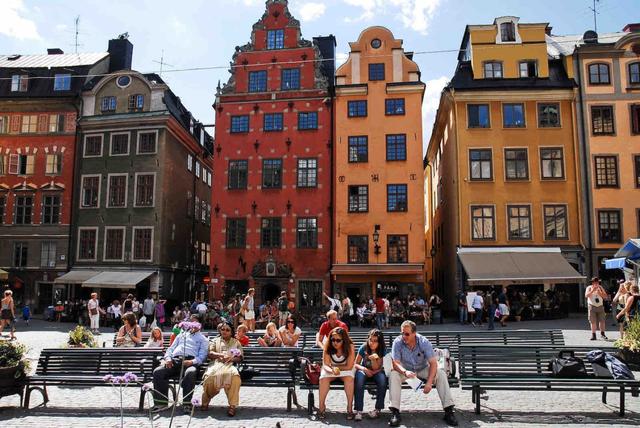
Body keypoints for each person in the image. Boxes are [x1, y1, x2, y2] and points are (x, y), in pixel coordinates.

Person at [389, 320, 458, 427]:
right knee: (393, 375)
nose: (404, 336)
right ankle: (395, 412)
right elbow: (395, 364)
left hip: (422, 368)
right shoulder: (397, 342)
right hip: (405, 370)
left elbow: (433, 363)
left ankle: (449, 411)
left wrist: (429, 382)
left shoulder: (424, 342)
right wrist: (405, 371)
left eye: (407, 334)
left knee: (441, 374)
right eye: (402, 333)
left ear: (414, 333)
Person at [152, 316, 209, 413]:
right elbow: (170, 349)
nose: (192, 325)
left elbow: (202, 356)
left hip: (190, 362)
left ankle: (187, 404)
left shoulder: (203, 339)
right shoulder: (181, 335)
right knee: (158, 372)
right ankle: (161, 403)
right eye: (191, 322)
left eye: (195, 322)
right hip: (175, 361)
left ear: (200, 325)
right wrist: (168, 358)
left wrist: (192, 362)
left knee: (191, 373)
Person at [201, 321, 243, 416]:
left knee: (235, 377)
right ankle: (206, 400)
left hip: (230, 365)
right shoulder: (215, 341)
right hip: (216, 364)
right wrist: (220, 355)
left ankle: (232, 406)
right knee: (209, 377)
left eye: (227, 330)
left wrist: (231, 358)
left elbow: (240, 357)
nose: (224, 331)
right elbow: (210, 353)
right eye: (222, 329)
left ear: (231, 332)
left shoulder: (236, 342)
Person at [317, 327, 355, 420]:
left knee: (349, 379)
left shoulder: (350, 346)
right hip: (331, 369)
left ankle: (349, 408)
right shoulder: (328, 345)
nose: (335, 342)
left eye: (338, 340)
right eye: (333, 339)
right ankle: (321, 407)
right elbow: (325, 364)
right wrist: (332, 370)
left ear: (344, 340)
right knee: (323, 379)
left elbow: (349, 366)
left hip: (346, 368)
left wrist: (337, 368)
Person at [353, 329, 388, 421]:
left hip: (377, 371)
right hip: (364, 370)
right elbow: (356, 364)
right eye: (370, 340)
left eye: (375, 341)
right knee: (359, 378)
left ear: (379, 342)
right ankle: (358, 410)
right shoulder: (364, 347)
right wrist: (364, 369)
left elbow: (379, 367)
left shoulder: (382, 350)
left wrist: (373, 360)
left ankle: (377, 409)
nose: (372, 343)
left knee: (382, 379)